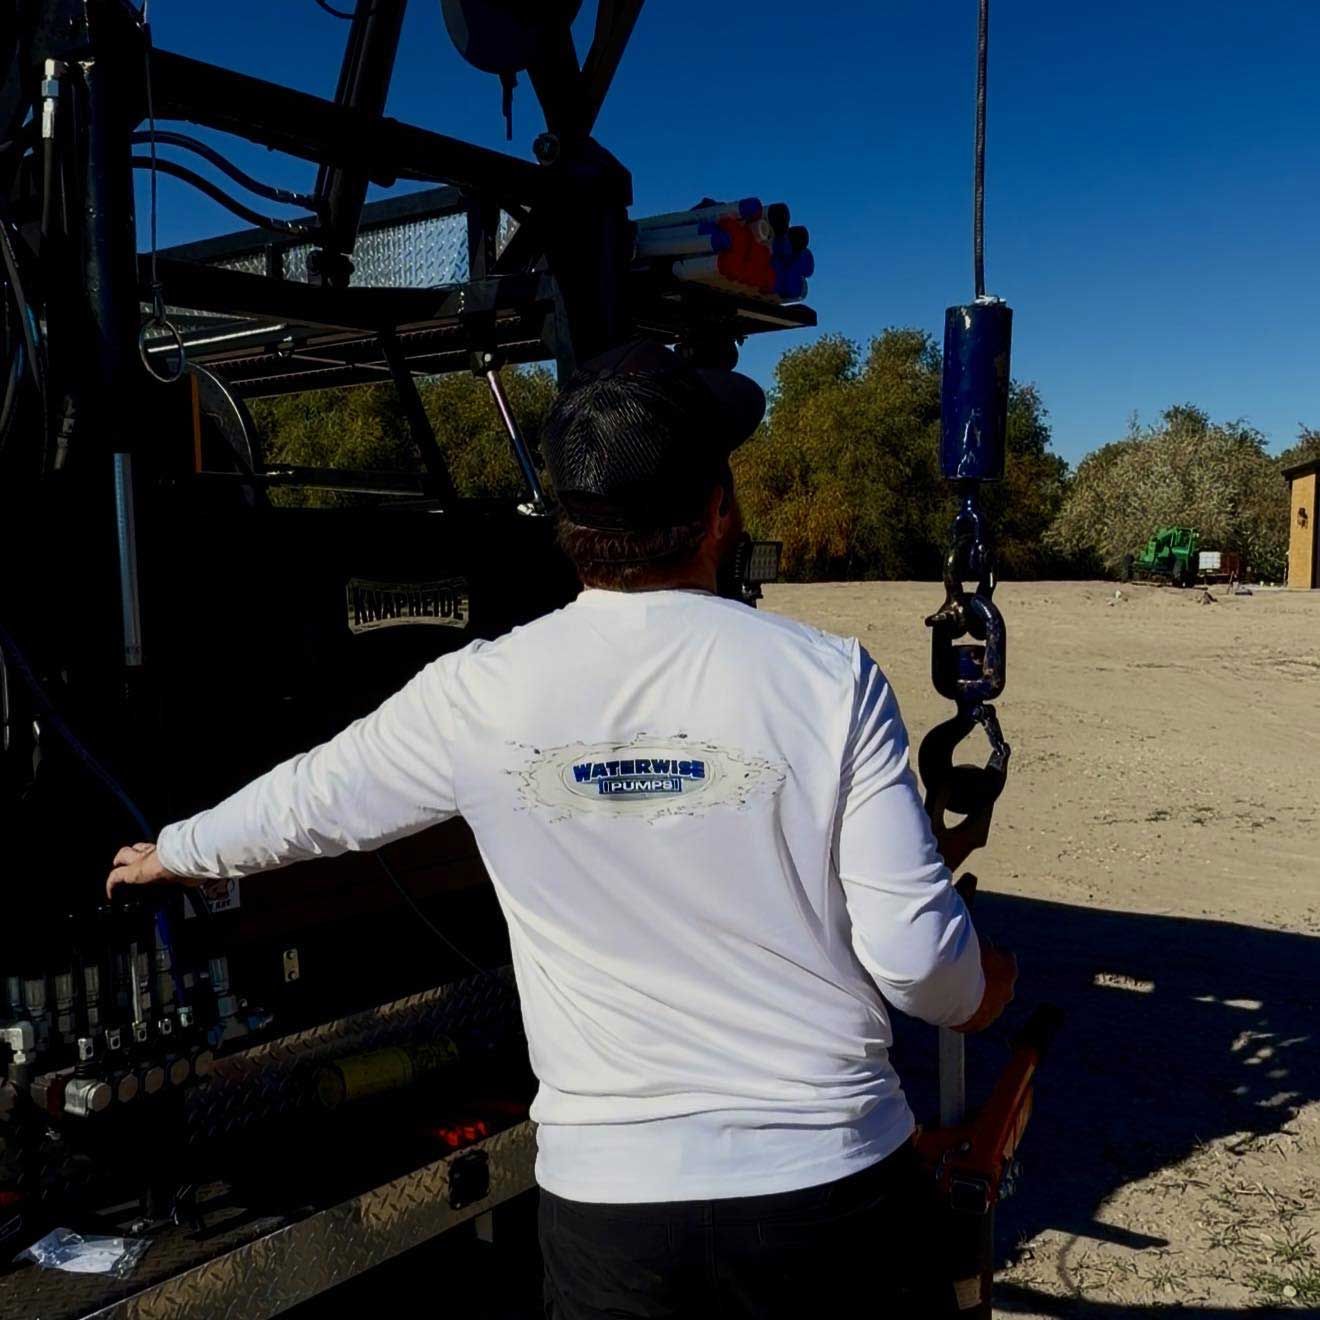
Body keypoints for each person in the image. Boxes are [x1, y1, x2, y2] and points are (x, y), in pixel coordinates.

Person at [108, 339, 1017, 1318]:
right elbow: (922, 965)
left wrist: (178, 850)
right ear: (718, 510)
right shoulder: (830, 679)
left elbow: (309, 802)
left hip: (613, 1218)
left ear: (569, 526)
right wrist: (986, 991)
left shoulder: (477, 694)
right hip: (832, 1198)